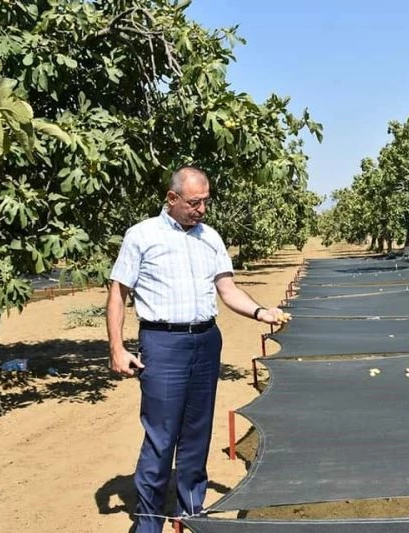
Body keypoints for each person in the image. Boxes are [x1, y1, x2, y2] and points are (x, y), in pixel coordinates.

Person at [106, 165, 286, 533]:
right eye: (194, 202)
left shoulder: (211, 238)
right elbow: (118, 292)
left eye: (206, 201)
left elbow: (228, 289)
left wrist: (260, 311)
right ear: (172, 199)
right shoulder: (142, 236)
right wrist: (116, 348)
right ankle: (149, 521)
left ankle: (192, 509)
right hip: (163, 342)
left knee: (197, 431)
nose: (202, 209)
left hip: (205, 341)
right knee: (161, 434)